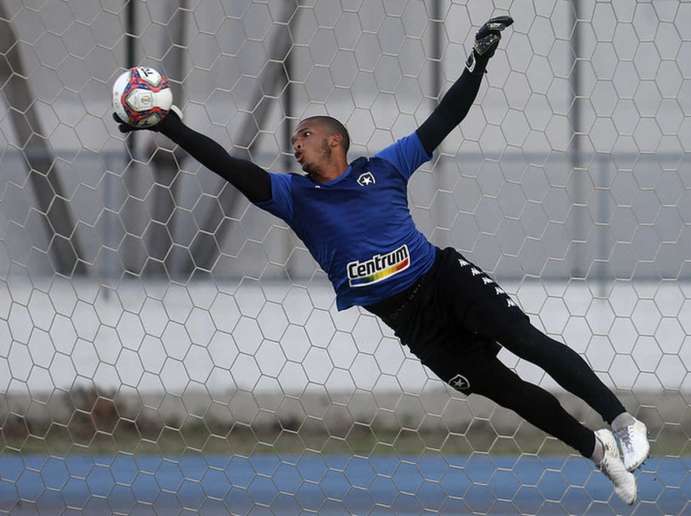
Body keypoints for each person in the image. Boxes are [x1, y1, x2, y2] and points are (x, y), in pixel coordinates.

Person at [114, 16, 648, 504]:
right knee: (511, 393)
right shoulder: (295, 198)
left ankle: (620, 419)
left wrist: (476, 62)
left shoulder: (384, 169)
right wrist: (168, 126)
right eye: (294, 139)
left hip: (443, 279)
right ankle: (599, 454)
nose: (295, 145)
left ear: (335, 142)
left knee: (529, 343)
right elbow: (229, 166)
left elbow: (445, 119)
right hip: (412, 323)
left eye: (306, 136)